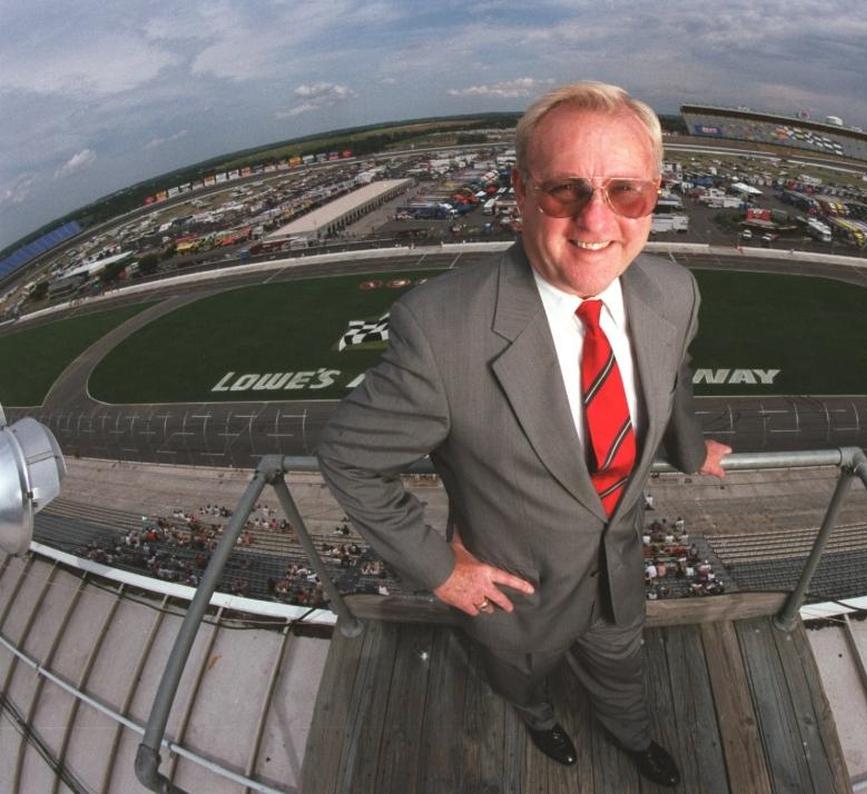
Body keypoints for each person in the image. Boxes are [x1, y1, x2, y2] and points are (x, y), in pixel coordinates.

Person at [318, 80, 731, 787]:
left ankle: (631, 736)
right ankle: (540, 723)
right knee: (520, 680)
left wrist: (688, 448)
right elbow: (348, 457)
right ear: (520, 190)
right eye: (566, 190)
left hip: (617, 574)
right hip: (513, 595)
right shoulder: (440, 329)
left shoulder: (673, 291)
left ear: (654, 194)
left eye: (625, 191)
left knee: (622, 671)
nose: (597, 220)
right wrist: (441, 569)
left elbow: (674, 377)